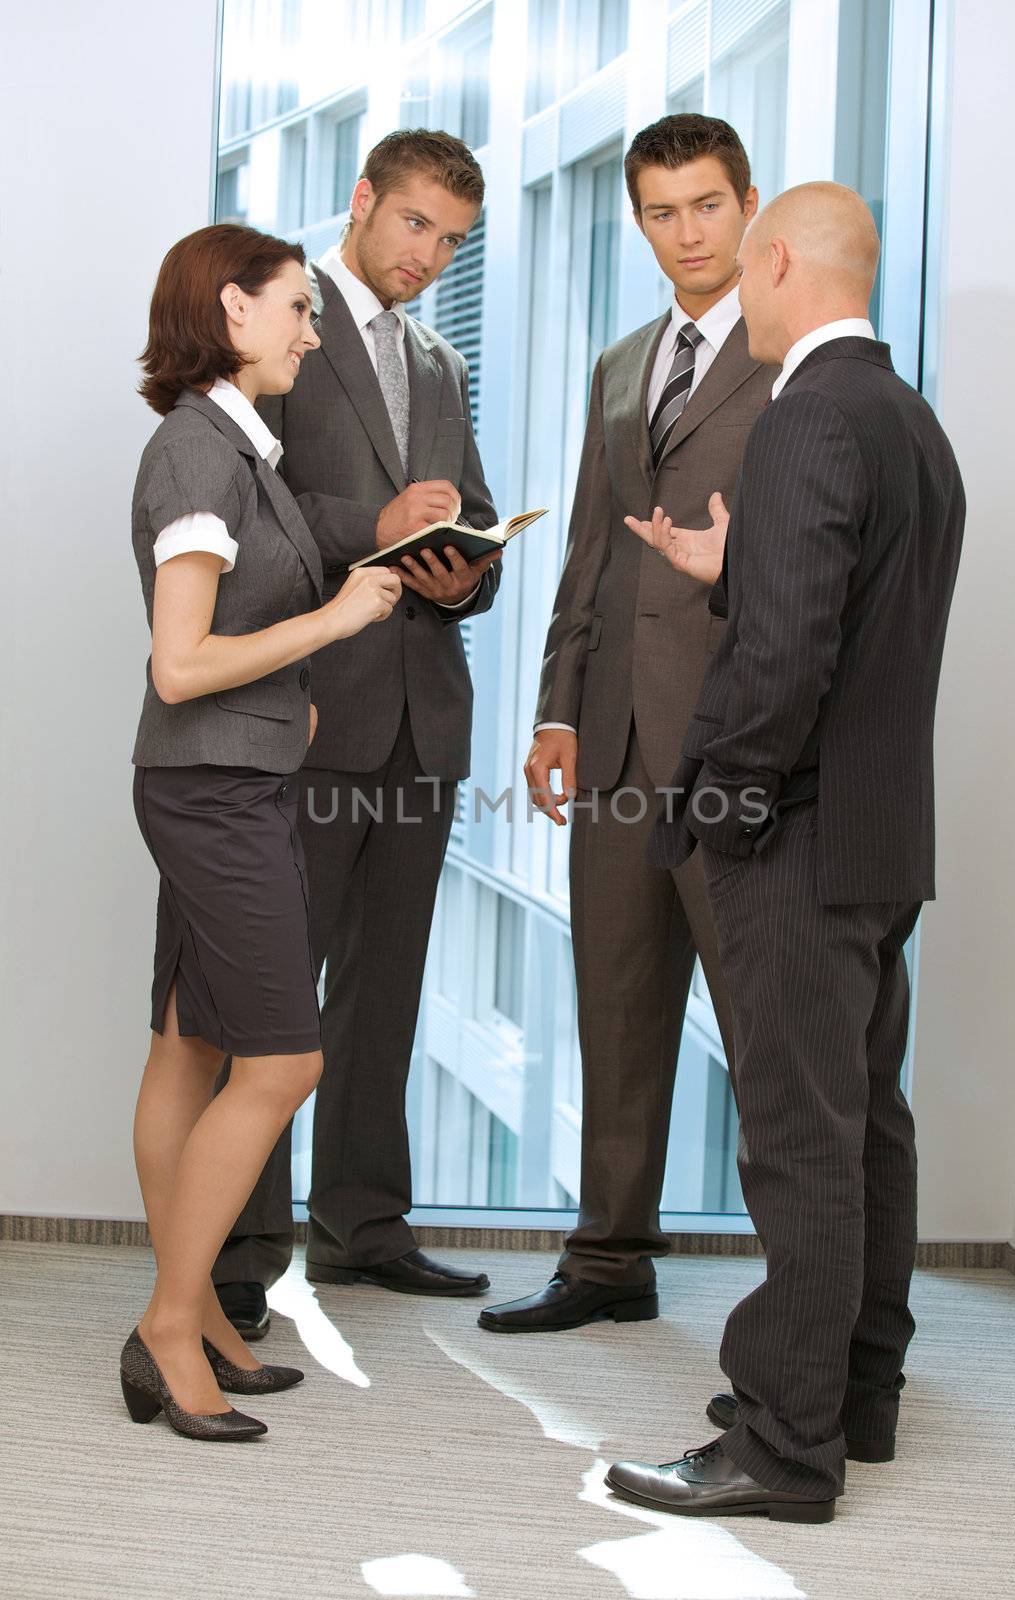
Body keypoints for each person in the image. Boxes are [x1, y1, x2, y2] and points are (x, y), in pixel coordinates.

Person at [605, 183, 965, 1521]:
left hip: (798, 844)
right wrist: (737, 562)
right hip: (879, 839)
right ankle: (851, 1394)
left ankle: (780, 1444)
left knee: (796, 1142)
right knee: (864, 1123)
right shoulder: (902, 418)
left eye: (737, 266)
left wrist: (724, 807)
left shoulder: (803, 417)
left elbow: (785, 657)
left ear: (770, 262)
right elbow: (844, 609)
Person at [480, 116, 775, 1335]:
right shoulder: (618, 364)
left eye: (705, 205)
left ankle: (803, 1303)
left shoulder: (798, 355)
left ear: (746, 205)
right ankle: (608, 1261)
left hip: (736, 744)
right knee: (615, 1002)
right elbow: (590, 562)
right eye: (660, 211)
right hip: (610, 745)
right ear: (637, 219)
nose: (685, 233)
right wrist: (555, 713)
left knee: (765, 1030)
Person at [213, 130, 500, 1339]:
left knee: (385, 992)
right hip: (309, 709)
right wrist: (369, 523)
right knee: (276, 997)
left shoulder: (437, 358)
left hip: (421, 719)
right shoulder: (284, 317)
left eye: (452, 241)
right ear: (363, 200)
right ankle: (236, 1252)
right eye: (415, 226)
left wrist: (460, 574)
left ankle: (362, 1229)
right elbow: (249, 490)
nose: (428, 256)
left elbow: (470, 510)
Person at [124, 224, 401, 1441]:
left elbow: (221, 651)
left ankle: (196, 1318)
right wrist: (334, 624)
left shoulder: (241, 449)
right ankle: (171, 1326)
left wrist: (290, 690)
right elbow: (180, 664)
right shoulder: (198, 456)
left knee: (189, 1049)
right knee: (283, 1060)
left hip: (226, 779)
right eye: (296, 307)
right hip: (213, 790)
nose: (312, 327)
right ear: (231, 311)